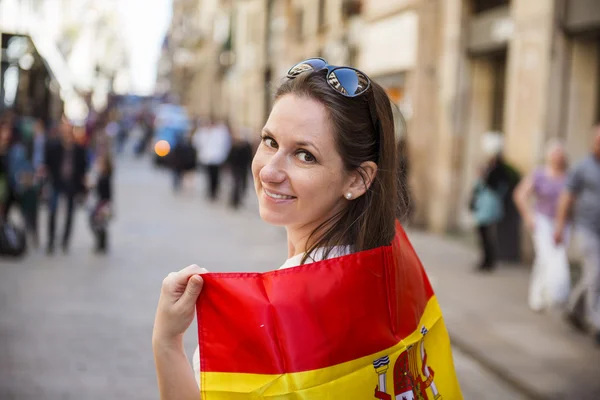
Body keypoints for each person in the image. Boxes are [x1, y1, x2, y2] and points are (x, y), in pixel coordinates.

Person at [153, 59, 417, 398]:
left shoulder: (265, 320)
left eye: (305, 155)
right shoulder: (390, 273)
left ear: (358, 179)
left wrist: (166, 342)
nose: (269, 171)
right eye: (270, 141)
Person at [554, 125, 600, 346]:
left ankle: (573, 309)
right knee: (596, 272)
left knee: (592, 275)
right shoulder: (583, 167)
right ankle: (597, 323)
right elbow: (566, 197)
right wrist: (560, 227)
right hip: (586, 229)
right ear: (593, 143)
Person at [514, 140, 569, 312]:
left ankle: (541, 294)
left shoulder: (568, 177)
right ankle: (546, 294)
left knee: (550, 258)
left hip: (562, 223)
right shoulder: (539, 174)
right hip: (542, 221)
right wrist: (529, 217)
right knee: (546, 257)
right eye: (554, 154)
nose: (557, 158)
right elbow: (520, 194)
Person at [44, 119, 88, 254]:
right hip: (56, 183)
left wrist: (83, 186)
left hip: (72, 184)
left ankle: (65, 241)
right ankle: (51, 241)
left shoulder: (79, 149)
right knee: (53, 211)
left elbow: (83, 168)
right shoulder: (53, 147)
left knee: (70, 213)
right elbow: (48, 165)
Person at [195, 118, 232, 201]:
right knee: (209, 175)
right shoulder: (203, 132)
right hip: (207, 158)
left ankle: (214, 191)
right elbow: (198, 143)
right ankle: (210, 191)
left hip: (217, 158)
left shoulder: (220, 133)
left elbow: (224, 145)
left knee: (215, 176)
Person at [88, 153, 113, 254]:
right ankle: (101, 243)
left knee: (100, 224)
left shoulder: (105, 177)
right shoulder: (101, 176)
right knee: (98, 224)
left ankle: (102, 244)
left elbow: (106, 193)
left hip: (102, 204)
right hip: (99, 203)